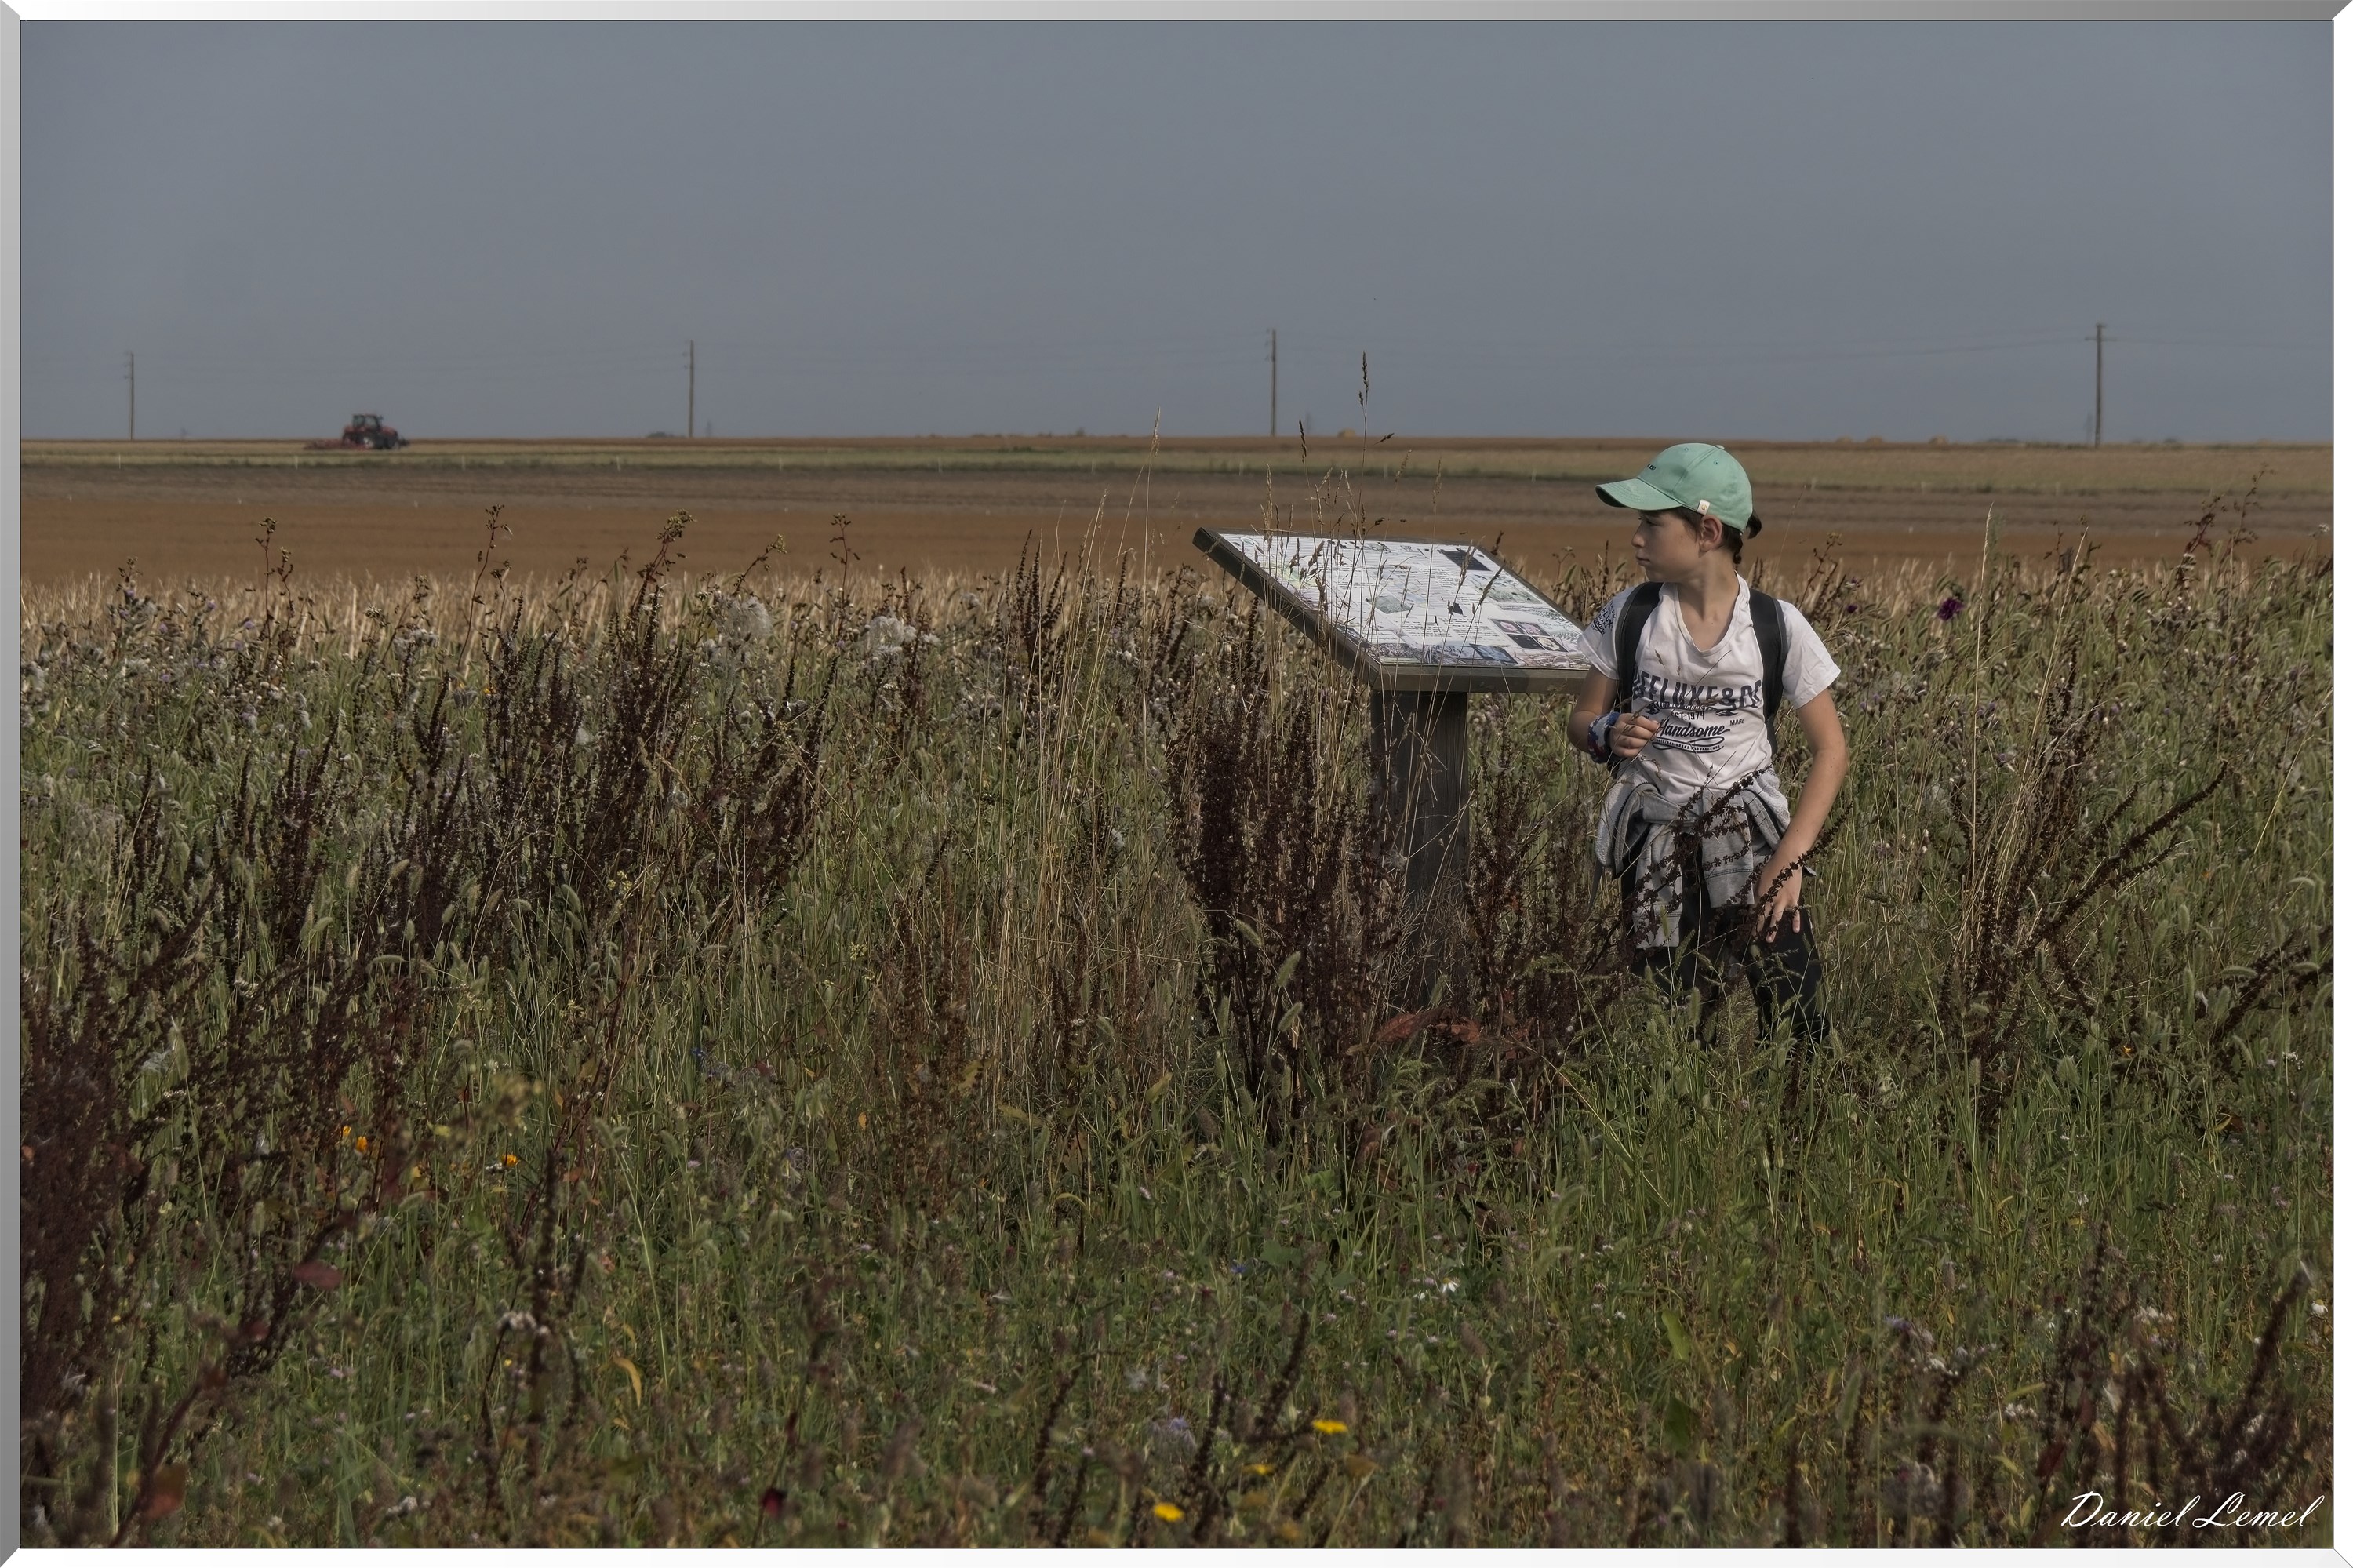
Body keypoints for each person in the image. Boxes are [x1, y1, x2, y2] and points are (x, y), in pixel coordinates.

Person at [1566, 442, 1848, 1046]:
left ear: (1708, 531)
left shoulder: (1776, 626)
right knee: (1661, 1016)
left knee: (1796, 1015)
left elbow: (1832, 749)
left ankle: (1801, 1118)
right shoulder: (1630, 615)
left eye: (1651, 522)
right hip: (1658, 849)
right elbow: (1582, 715)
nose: (1636, 537)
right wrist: (1604, 731)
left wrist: (1790, 860)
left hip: (1756, 847)